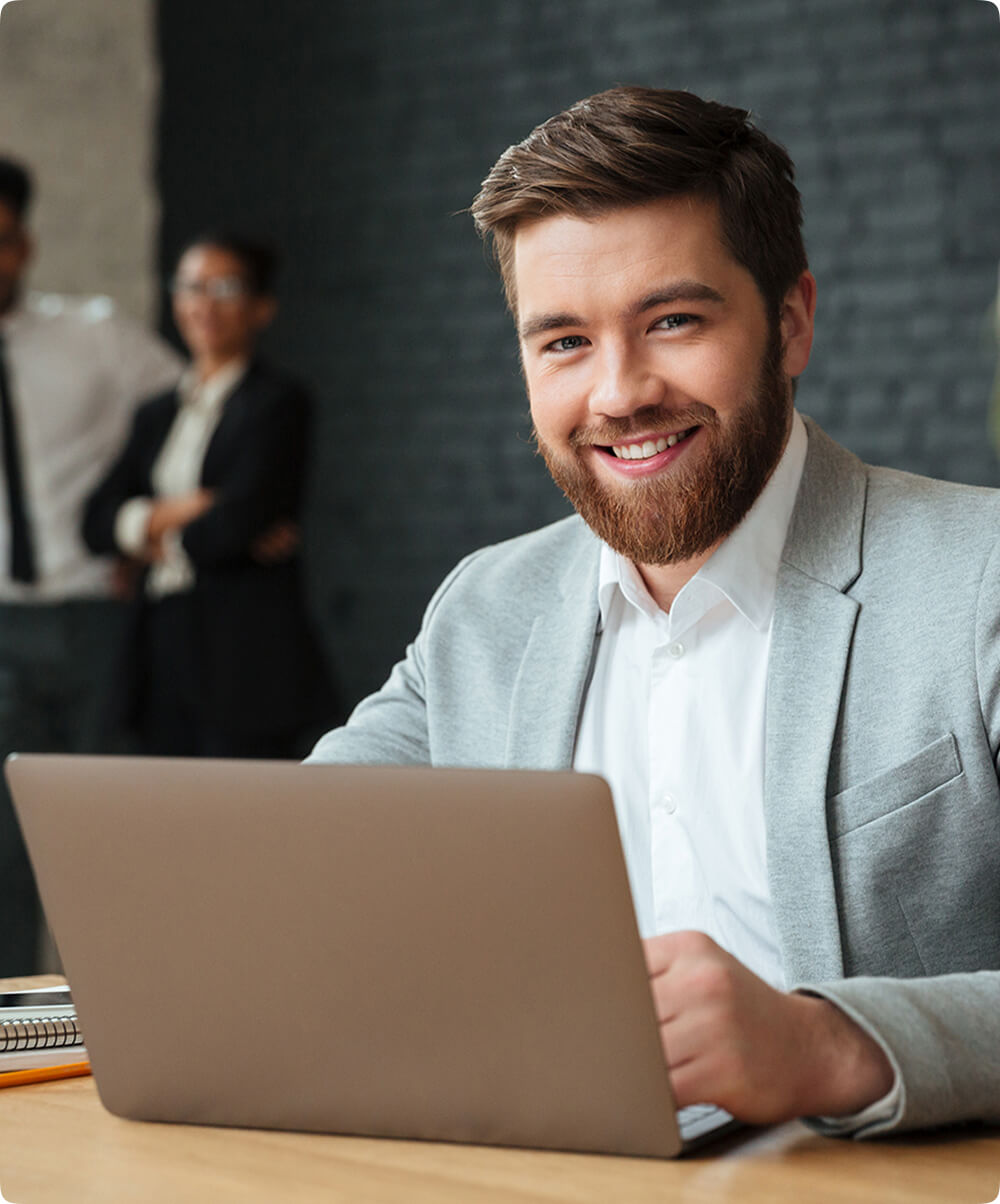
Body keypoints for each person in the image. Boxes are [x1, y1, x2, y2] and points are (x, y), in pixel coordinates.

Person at [307, 87, 1000, 1137]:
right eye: (564, 342)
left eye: (672, 322)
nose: (620, 392)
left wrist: (824, 1047)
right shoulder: (485, 610)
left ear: (791, 323)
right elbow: (291, 858)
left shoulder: (979, 580)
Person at [0, 155, 183, 974]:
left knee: (103, 841)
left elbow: (197, 410)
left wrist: (142, 529)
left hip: (93, 619)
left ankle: (124, 1014)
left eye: (1, 240)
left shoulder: (95, 335)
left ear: (25, 245)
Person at [83, 233, 336, 759]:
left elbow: (234, 524)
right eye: (191, 287)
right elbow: (93, 522)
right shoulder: (155, 414)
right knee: (159, 800)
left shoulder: (278, 404)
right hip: (160, 645)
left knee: (243, 803)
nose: (204, 304)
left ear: (261, 307)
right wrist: (180, 513)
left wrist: (146, 542)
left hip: (245, 655)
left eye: (226, 288)